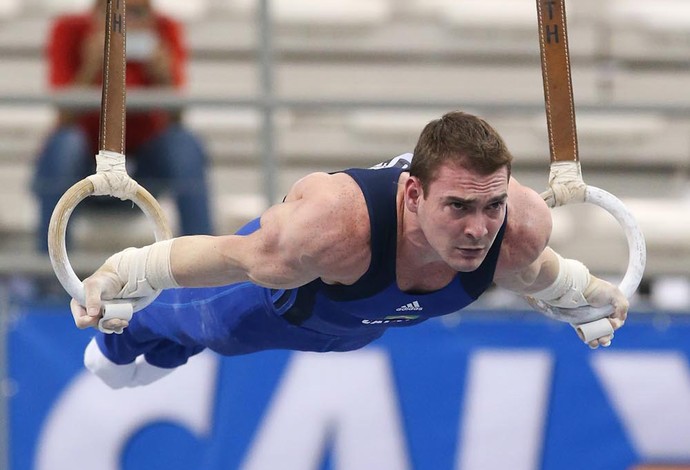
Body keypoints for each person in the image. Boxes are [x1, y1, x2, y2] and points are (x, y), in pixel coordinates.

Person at [69, 111, 629, 389]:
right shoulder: (333, 229)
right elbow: (221, 256)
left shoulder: (517, 231)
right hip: (275, 306)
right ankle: (129, 347)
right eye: (458, 207)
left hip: (357, 326)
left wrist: (590, 293)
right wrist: (120, 272)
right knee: (210, 330)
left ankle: (162, 350)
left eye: (492, 207)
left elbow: (540, 275)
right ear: (413, 193)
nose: (479, 230)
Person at [32, 0, 213, 253]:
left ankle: (202, 263)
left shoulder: (163, 29)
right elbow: (63, 118)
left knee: (184, 143)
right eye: (117, 12)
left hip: (146, 166)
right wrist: (91, 66)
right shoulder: (69, 29)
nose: (126, 23)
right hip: (83, 165)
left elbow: (178, 118)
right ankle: (48, 272)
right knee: (65, 143)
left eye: (138, 12)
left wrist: (163, 77)